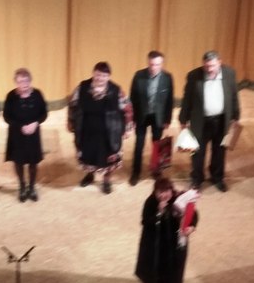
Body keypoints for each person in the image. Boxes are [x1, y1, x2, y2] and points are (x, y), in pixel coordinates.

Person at [179, 50, 240, 192]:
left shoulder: (230, 73)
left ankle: (217, 178)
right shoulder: (194, 76)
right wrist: (183, 119)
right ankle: (197, 179)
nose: (209, 69)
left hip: (222, 120)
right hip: (200, 121)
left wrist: (236, 117)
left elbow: (234, 96)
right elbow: (187, 99)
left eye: (212, 66)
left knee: (219, 151)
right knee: (197, 152)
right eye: (206, 66)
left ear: (219, 62)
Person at [68, 62, 133, 194]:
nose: (100, 78)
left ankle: (106, 180)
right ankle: (90, 175)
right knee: (88, 155)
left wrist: (128, 128)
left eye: (104, 75)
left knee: (108, 157)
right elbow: (72, 105)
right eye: (98, 74)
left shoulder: (116, 90)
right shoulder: (82, 87)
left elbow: (127, 108)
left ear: (108, 76)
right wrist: (71, 121)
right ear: (93, 73)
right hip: (86, 131)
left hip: (110, 133)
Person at [135, 177, 198, 283]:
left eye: (167, 191)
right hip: (156, 243)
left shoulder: (179, 199)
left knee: (177, 266)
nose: (164, 195)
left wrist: (191, 226)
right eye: (160, 192)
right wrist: (159, 212)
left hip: (176, 241)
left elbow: (193, 214)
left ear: (171, 190)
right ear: (155, 192)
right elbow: (145, 222)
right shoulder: (150, 202)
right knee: (157, 268)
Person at [129, 50, 174, 185]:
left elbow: (169, 100)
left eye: (157, 64)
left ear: (162, 64)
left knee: (157, 145)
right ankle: (135, 173)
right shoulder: (138, 76)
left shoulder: (167, 77)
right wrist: (132, 118)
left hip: (158, 117)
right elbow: (133, 98)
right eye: (152, 64)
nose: (154, 67)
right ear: (148, 63)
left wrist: (167, 119)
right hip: (141, 116)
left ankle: (156, 171)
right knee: (139, 145)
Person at [3, 68, 48, 202]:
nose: (24, 84)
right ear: (16, 82)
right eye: (20, 82)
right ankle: (22, 187)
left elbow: (44, 113)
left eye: (26, 81)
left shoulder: (37, 94)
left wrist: (36, 123)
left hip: (33, 134)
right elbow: (6, 116)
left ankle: (32, 187)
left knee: (33, 162)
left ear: (30, 81)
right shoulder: (11, 96)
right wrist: (20, 126)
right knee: (19, 162)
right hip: (17, 135)